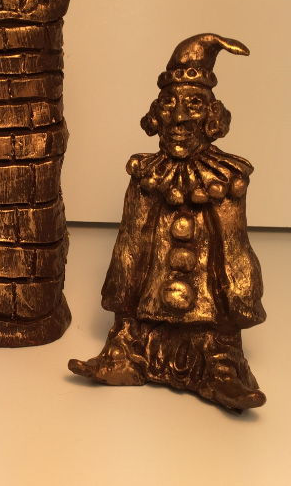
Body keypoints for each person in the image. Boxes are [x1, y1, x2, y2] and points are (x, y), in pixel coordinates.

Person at [69, 34, 266, 411]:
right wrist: (120, 297)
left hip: (208, 309)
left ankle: (221, 371)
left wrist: (241, 301)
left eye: (193, 105)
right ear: (157, 114)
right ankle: (124, 355)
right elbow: (130, 245)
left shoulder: (225, 179)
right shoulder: (146, 175)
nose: (179, 118)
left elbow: (234, 249)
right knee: (133, 326)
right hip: (151, 299)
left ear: (212, 117)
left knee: (216, 339)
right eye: (170, 104)